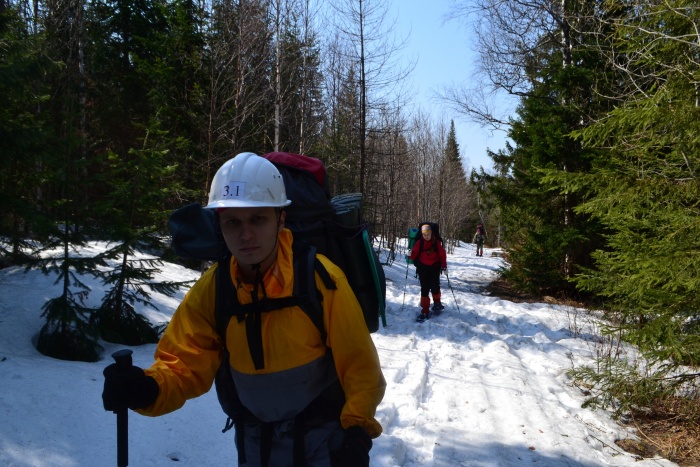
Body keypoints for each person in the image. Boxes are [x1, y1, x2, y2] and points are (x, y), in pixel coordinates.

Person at [102, 152, 386, 466]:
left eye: (257, 219)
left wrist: (357, 432)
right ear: (219, 224)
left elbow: (359, 364)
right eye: (233, 222)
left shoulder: (321, 279)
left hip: (323, 440)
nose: (246, 234)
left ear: (280, 219)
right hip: (254, 444)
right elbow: (183, 362)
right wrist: (148, 388)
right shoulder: (214, 289)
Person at [408, 223, 447, 322]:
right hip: (423, 268)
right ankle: (425, 310)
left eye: (428, 234)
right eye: (424, 234)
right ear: (422, 234)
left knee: (435, 286)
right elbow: (414, 254)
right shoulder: (419, 243)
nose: (426, 236)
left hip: (434, 267)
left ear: (431, 233)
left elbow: (442, 255)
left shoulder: (436, 242)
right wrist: (409, 255)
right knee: (424, 289)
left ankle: (437, 303)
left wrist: (444, 266)